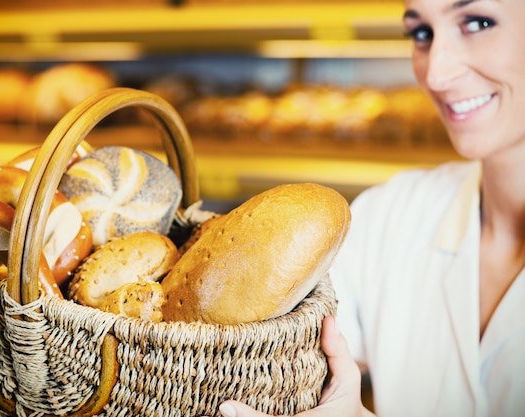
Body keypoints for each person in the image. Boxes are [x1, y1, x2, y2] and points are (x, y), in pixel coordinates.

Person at [214, 0, 525, 416]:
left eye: (478, 22)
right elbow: (285, 358)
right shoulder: (392, 214)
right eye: (421, 34)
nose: (436, 73)